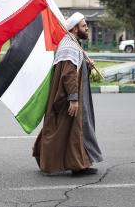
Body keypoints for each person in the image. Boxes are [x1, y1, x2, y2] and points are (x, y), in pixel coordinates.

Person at [33, 12, 103, 176]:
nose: (87, 28)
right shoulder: (69, 47)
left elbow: (74, 71)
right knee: (72, 131)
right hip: (68, 98)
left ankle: (76, 162)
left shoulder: (73, 44)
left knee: (64, 130)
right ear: (74, 28)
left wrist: (87, 66)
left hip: (73, 97)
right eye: (84, 25)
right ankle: (78, 166)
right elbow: (68, 75)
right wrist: (73, 99)